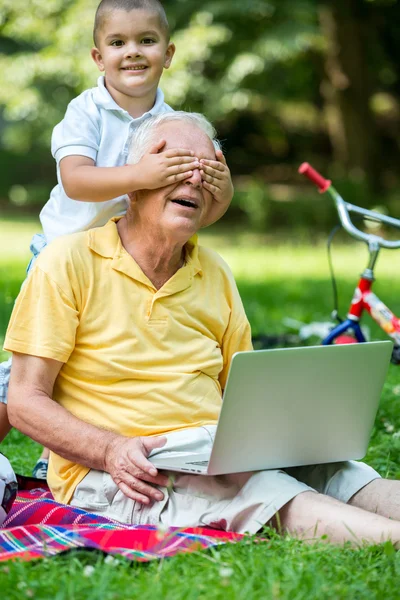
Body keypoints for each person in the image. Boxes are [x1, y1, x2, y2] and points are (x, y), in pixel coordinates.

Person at [5, 111, 400, 546]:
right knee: (263, 492)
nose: (193, 179)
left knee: (344, 474)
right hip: (127, 468)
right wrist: (110, 449)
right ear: (135, 180)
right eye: (175, 164)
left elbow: (243, 391)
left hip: (213, 451)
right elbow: (25, 400)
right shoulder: (66, 263)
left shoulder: (215, 272)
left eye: (207, 169)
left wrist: (289, 437)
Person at [0, 0, 233, 478]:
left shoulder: (173, 122)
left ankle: (56, 457)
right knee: (25, 377)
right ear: (96, 57)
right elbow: (76, 181)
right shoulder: (84, 112)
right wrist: (141, 173)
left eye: (146, 41)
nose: (133, 52)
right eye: (118, 42)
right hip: (65, 255)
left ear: (168, 54)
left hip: (128, 257)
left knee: (97, 363)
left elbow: (207, 202)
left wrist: (221, 189)